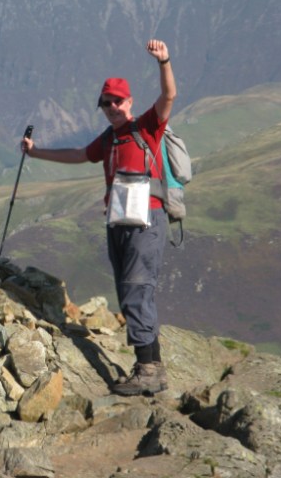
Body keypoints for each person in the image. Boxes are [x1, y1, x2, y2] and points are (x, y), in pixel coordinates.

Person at [21, 39, 176, 396]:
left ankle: (149, 369)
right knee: (129, 291)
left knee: (137, 290)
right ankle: (150, 366)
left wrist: (164, 61)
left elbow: (168, 97)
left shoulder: (147, 127)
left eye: (116, 101)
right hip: (119, 221)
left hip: (146, 221)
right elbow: (79, 155)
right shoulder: (109, 138)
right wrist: (36, 153)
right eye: (105, 103)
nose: (111, 108)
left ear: (130, 101)